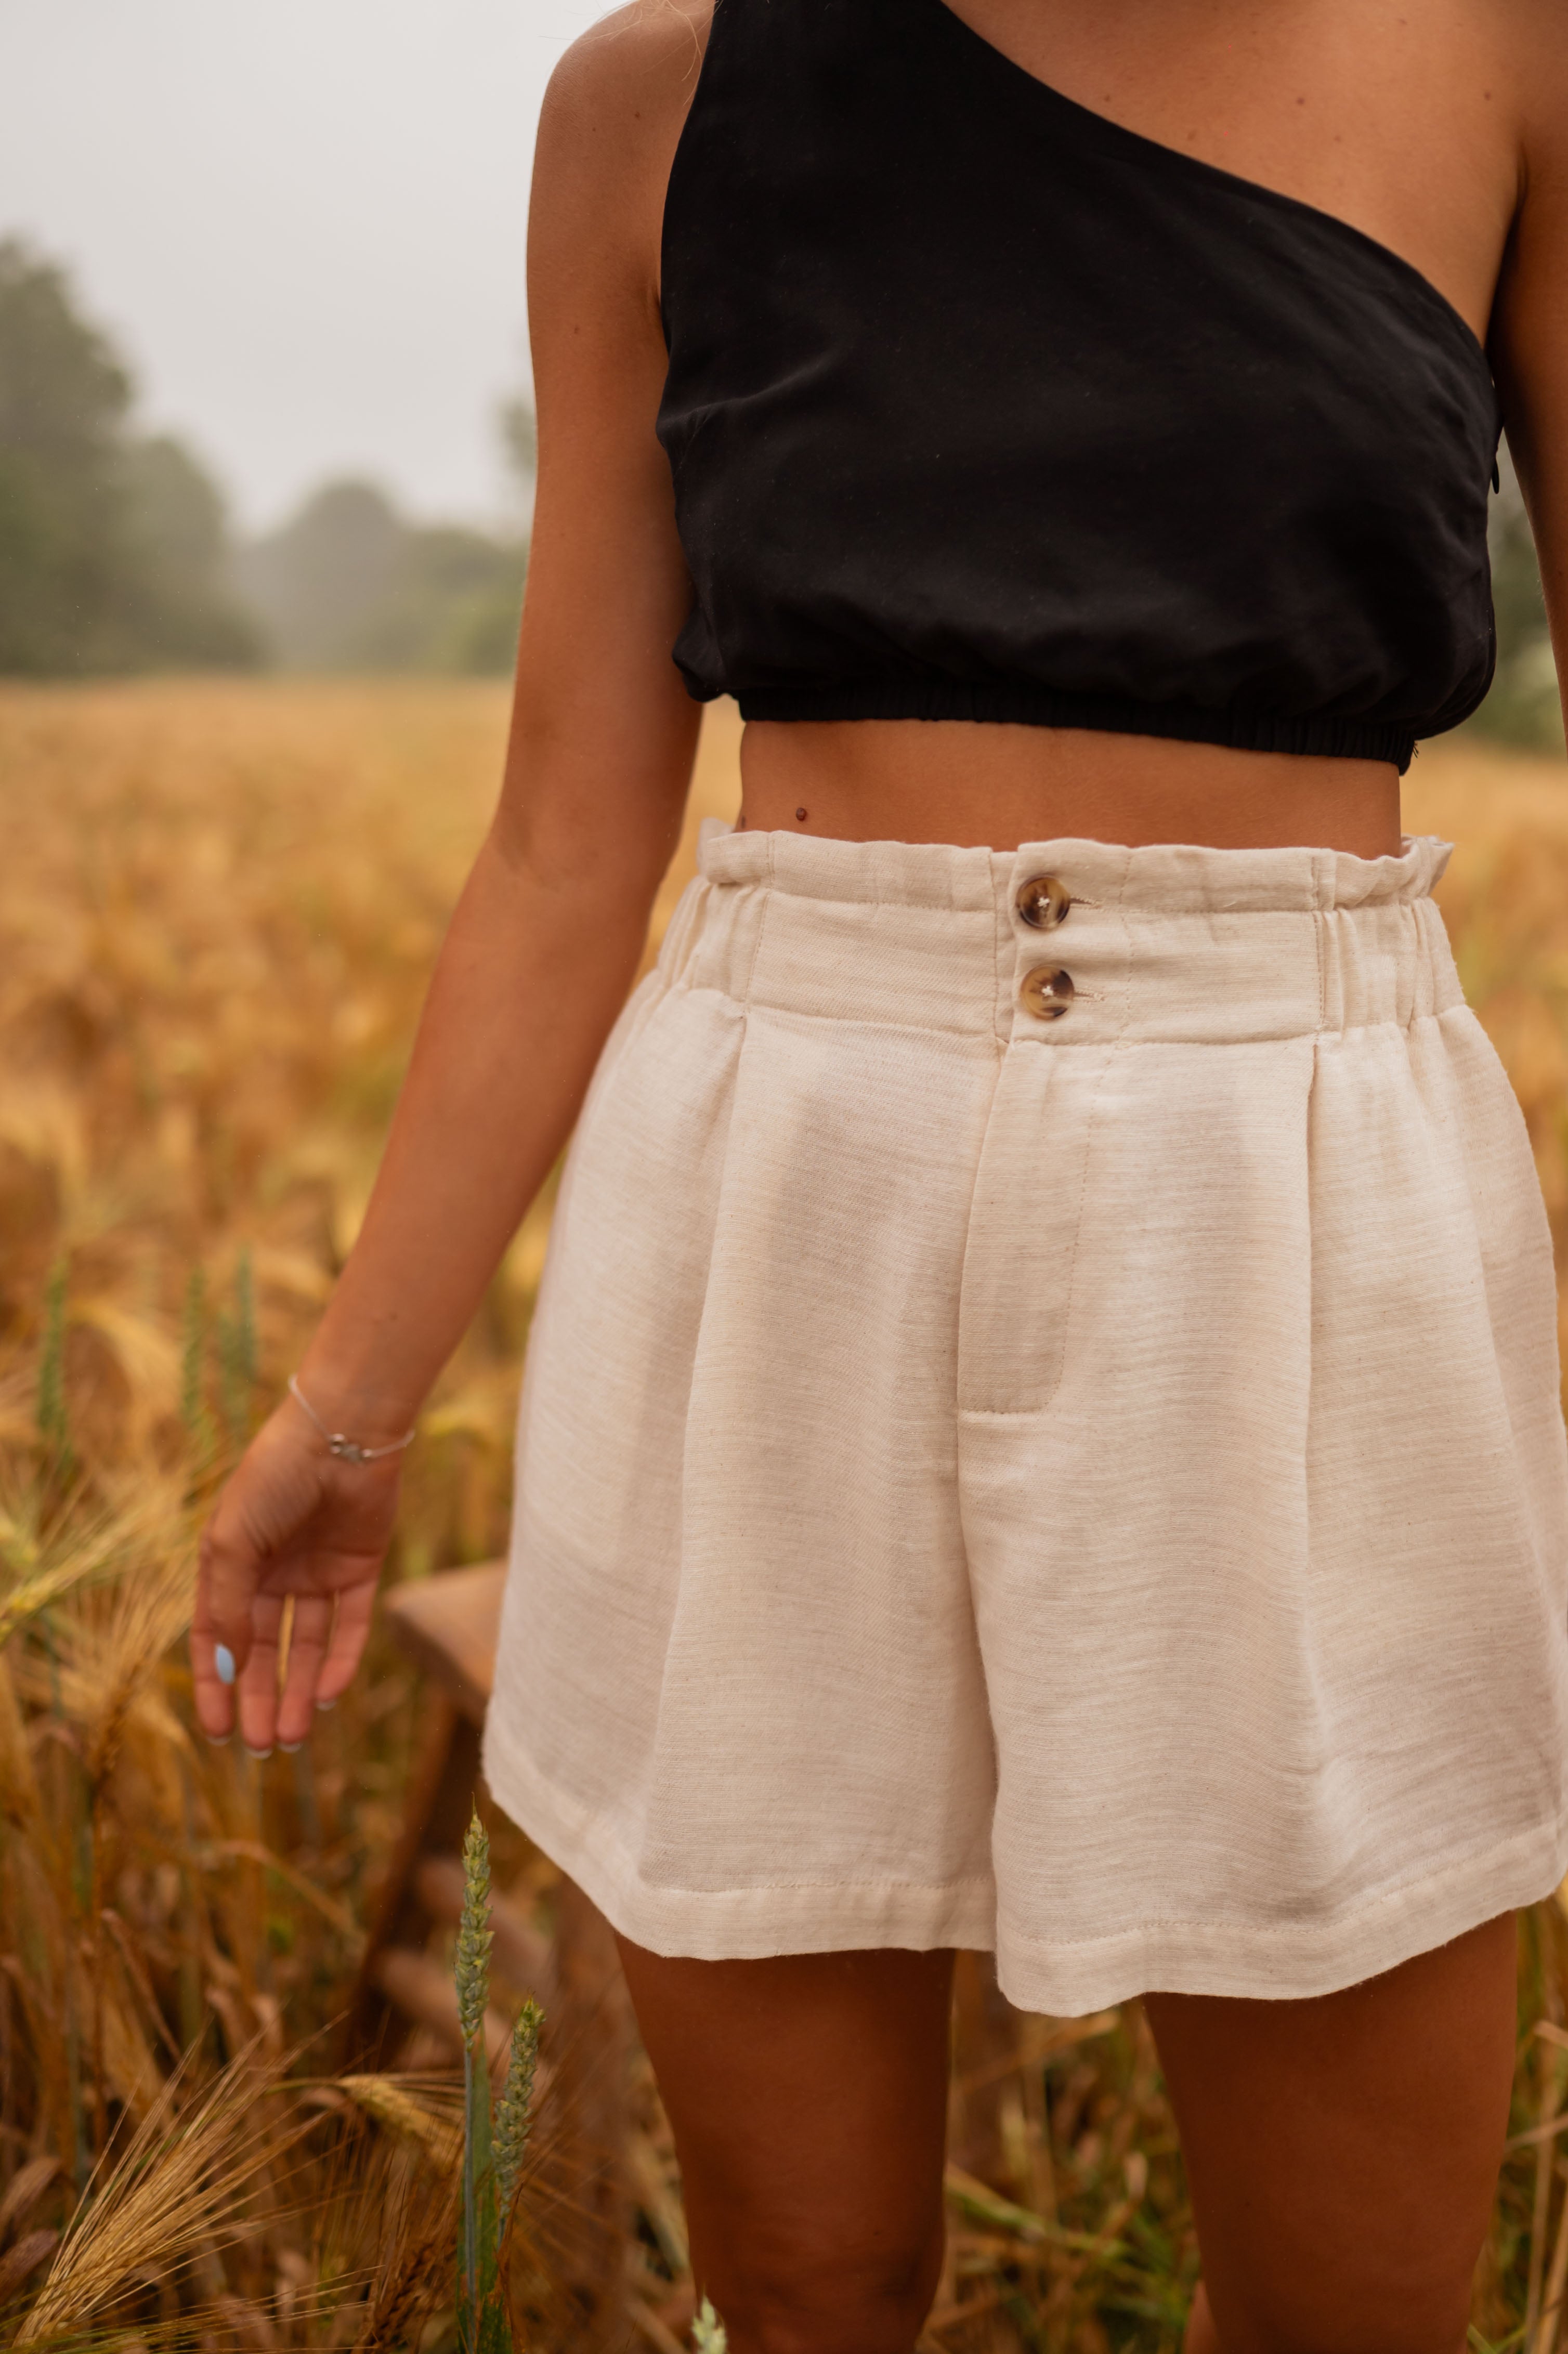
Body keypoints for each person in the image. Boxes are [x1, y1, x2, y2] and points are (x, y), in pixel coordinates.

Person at [193, 1, 1568, 2344]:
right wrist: (342, 1408)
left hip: (1296, 1182)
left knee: (1357, 2309)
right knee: (810, 2281)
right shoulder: (655, 102)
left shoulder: (1499, 47)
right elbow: (561, 832)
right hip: (775, 1179)